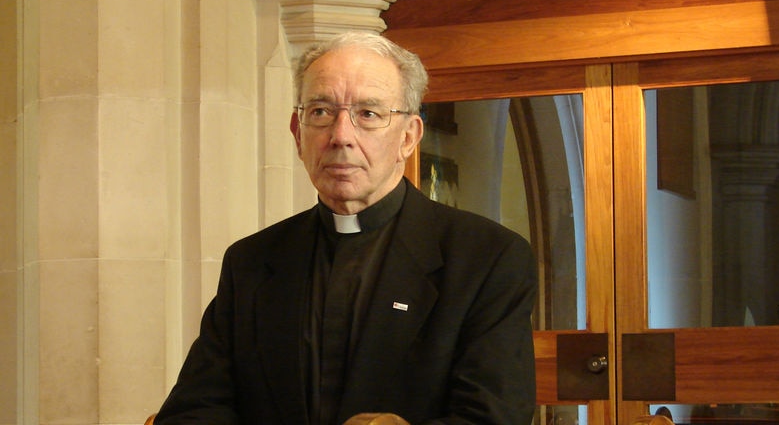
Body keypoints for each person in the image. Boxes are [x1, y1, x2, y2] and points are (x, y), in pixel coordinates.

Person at [153, 31, 537, 424]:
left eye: (368, 115)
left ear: (409, 137)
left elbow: (492, 418)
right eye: (320, 112)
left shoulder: (486, 258)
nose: (340, 136)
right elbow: (195, 410)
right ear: (297, 132)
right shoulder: (252, 261)